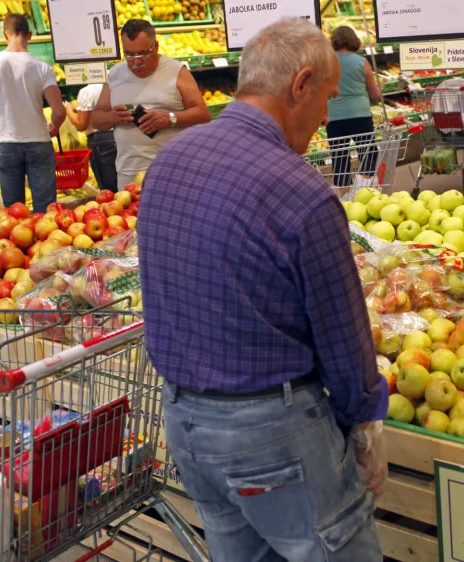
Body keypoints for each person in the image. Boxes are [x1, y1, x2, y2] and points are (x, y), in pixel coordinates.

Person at [138, 17, 388, 562]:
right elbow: (343, 335)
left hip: (186, 424)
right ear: (299, 86)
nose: (325, 117)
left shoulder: (168, 163)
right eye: (324, 98)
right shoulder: (300, 191)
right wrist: (363, 424)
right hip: (271, 437)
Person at [90, 19, 210, 189]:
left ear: (156, 46)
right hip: (128, 172)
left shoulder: (176, 71)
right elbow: (96, 119)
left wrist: (169, 118)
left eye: (143, 54)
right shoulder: (115, 73)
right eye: (129, 55)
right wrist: (113, 117)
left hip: (172, 170)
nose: (136, 62)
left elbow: (203, 114)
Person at [0, 13, 64, 213]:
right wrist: (55, 126)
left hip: (7, 142)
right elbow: (59, 110)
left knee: (13, 211)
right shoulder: (42, 68)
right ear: (29, 35)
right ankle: (46, 243)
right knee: (45, 209)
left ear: (5, 34)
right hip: (39, 140)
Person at [326, 26, 382, 189]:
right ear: (354, 40)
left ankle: (344, 197)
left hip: (334, 116)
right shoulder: (362, 62)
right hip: (360, 115)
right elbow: (374, 93)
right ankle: (363, 186)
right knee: (369, 153)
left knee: (339, 159)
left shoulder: (327, 63)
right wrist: (378, 95)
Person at [65, 85, 119, 192]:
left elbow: (81, 125)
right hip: (119, 135)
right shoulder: (115, 84)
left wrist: (68, 109)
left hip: (100, 140)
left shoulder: (87, 91)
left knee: (109, 189)